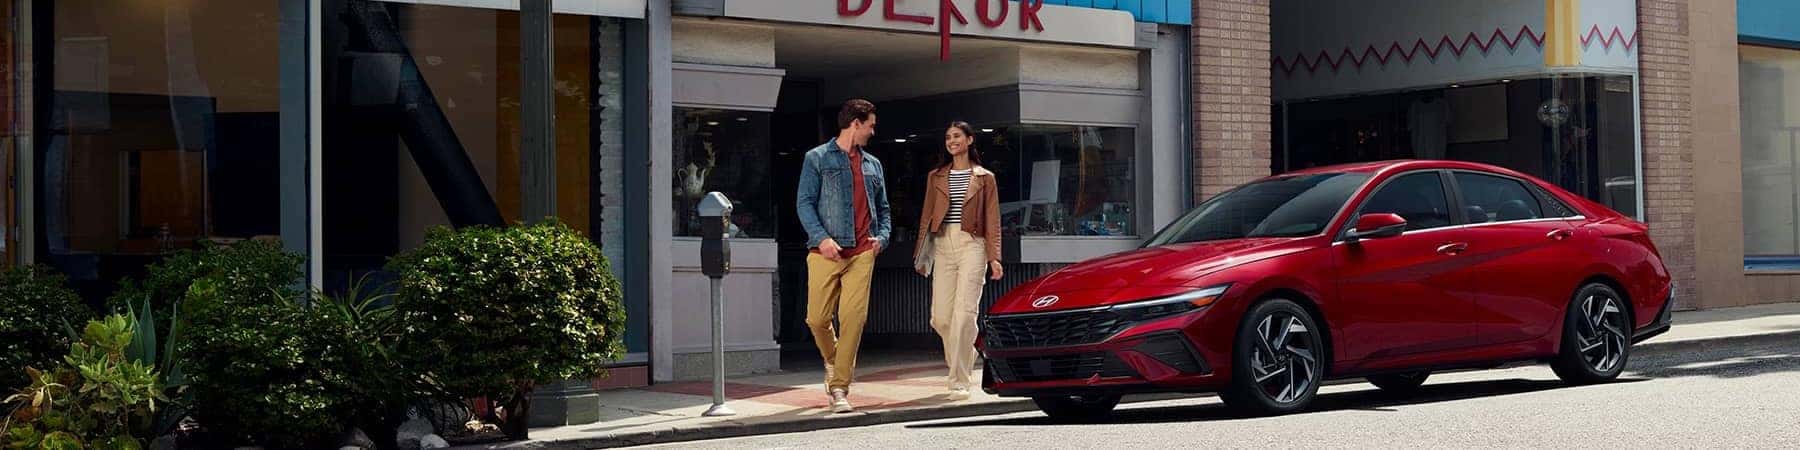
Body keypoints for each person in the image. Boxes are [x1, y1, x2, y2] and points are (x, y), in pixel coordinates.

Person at [796, 99, 892, 413]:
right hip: (825, 252)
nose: (873, 131)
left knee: (853, 318)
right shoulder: (817, 158)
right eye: (871, 125)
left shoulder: (873, 164)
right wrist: (822, 238)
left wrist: (883, 238)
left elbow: (885, 209)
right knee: (817, 318)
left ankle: (839, 388)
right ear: (855, 122)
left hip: (863, 251)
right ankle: (833, 360)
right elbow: (804, 203)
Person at [913, 121, 1003, 401]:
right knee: (941, 318)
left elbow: (992, 219)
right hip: (942, 245)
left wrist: (995, 257)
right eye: (948, 137)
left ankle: (959, 380)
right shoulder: (935, 176)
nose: (951, 141)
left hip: (972, 244)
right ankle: (967, 352)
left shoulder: (984, 177)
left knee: (964, 315)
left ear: (970, 140)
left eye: (957, 136)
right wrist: (921, 253)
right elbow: (926, 217)